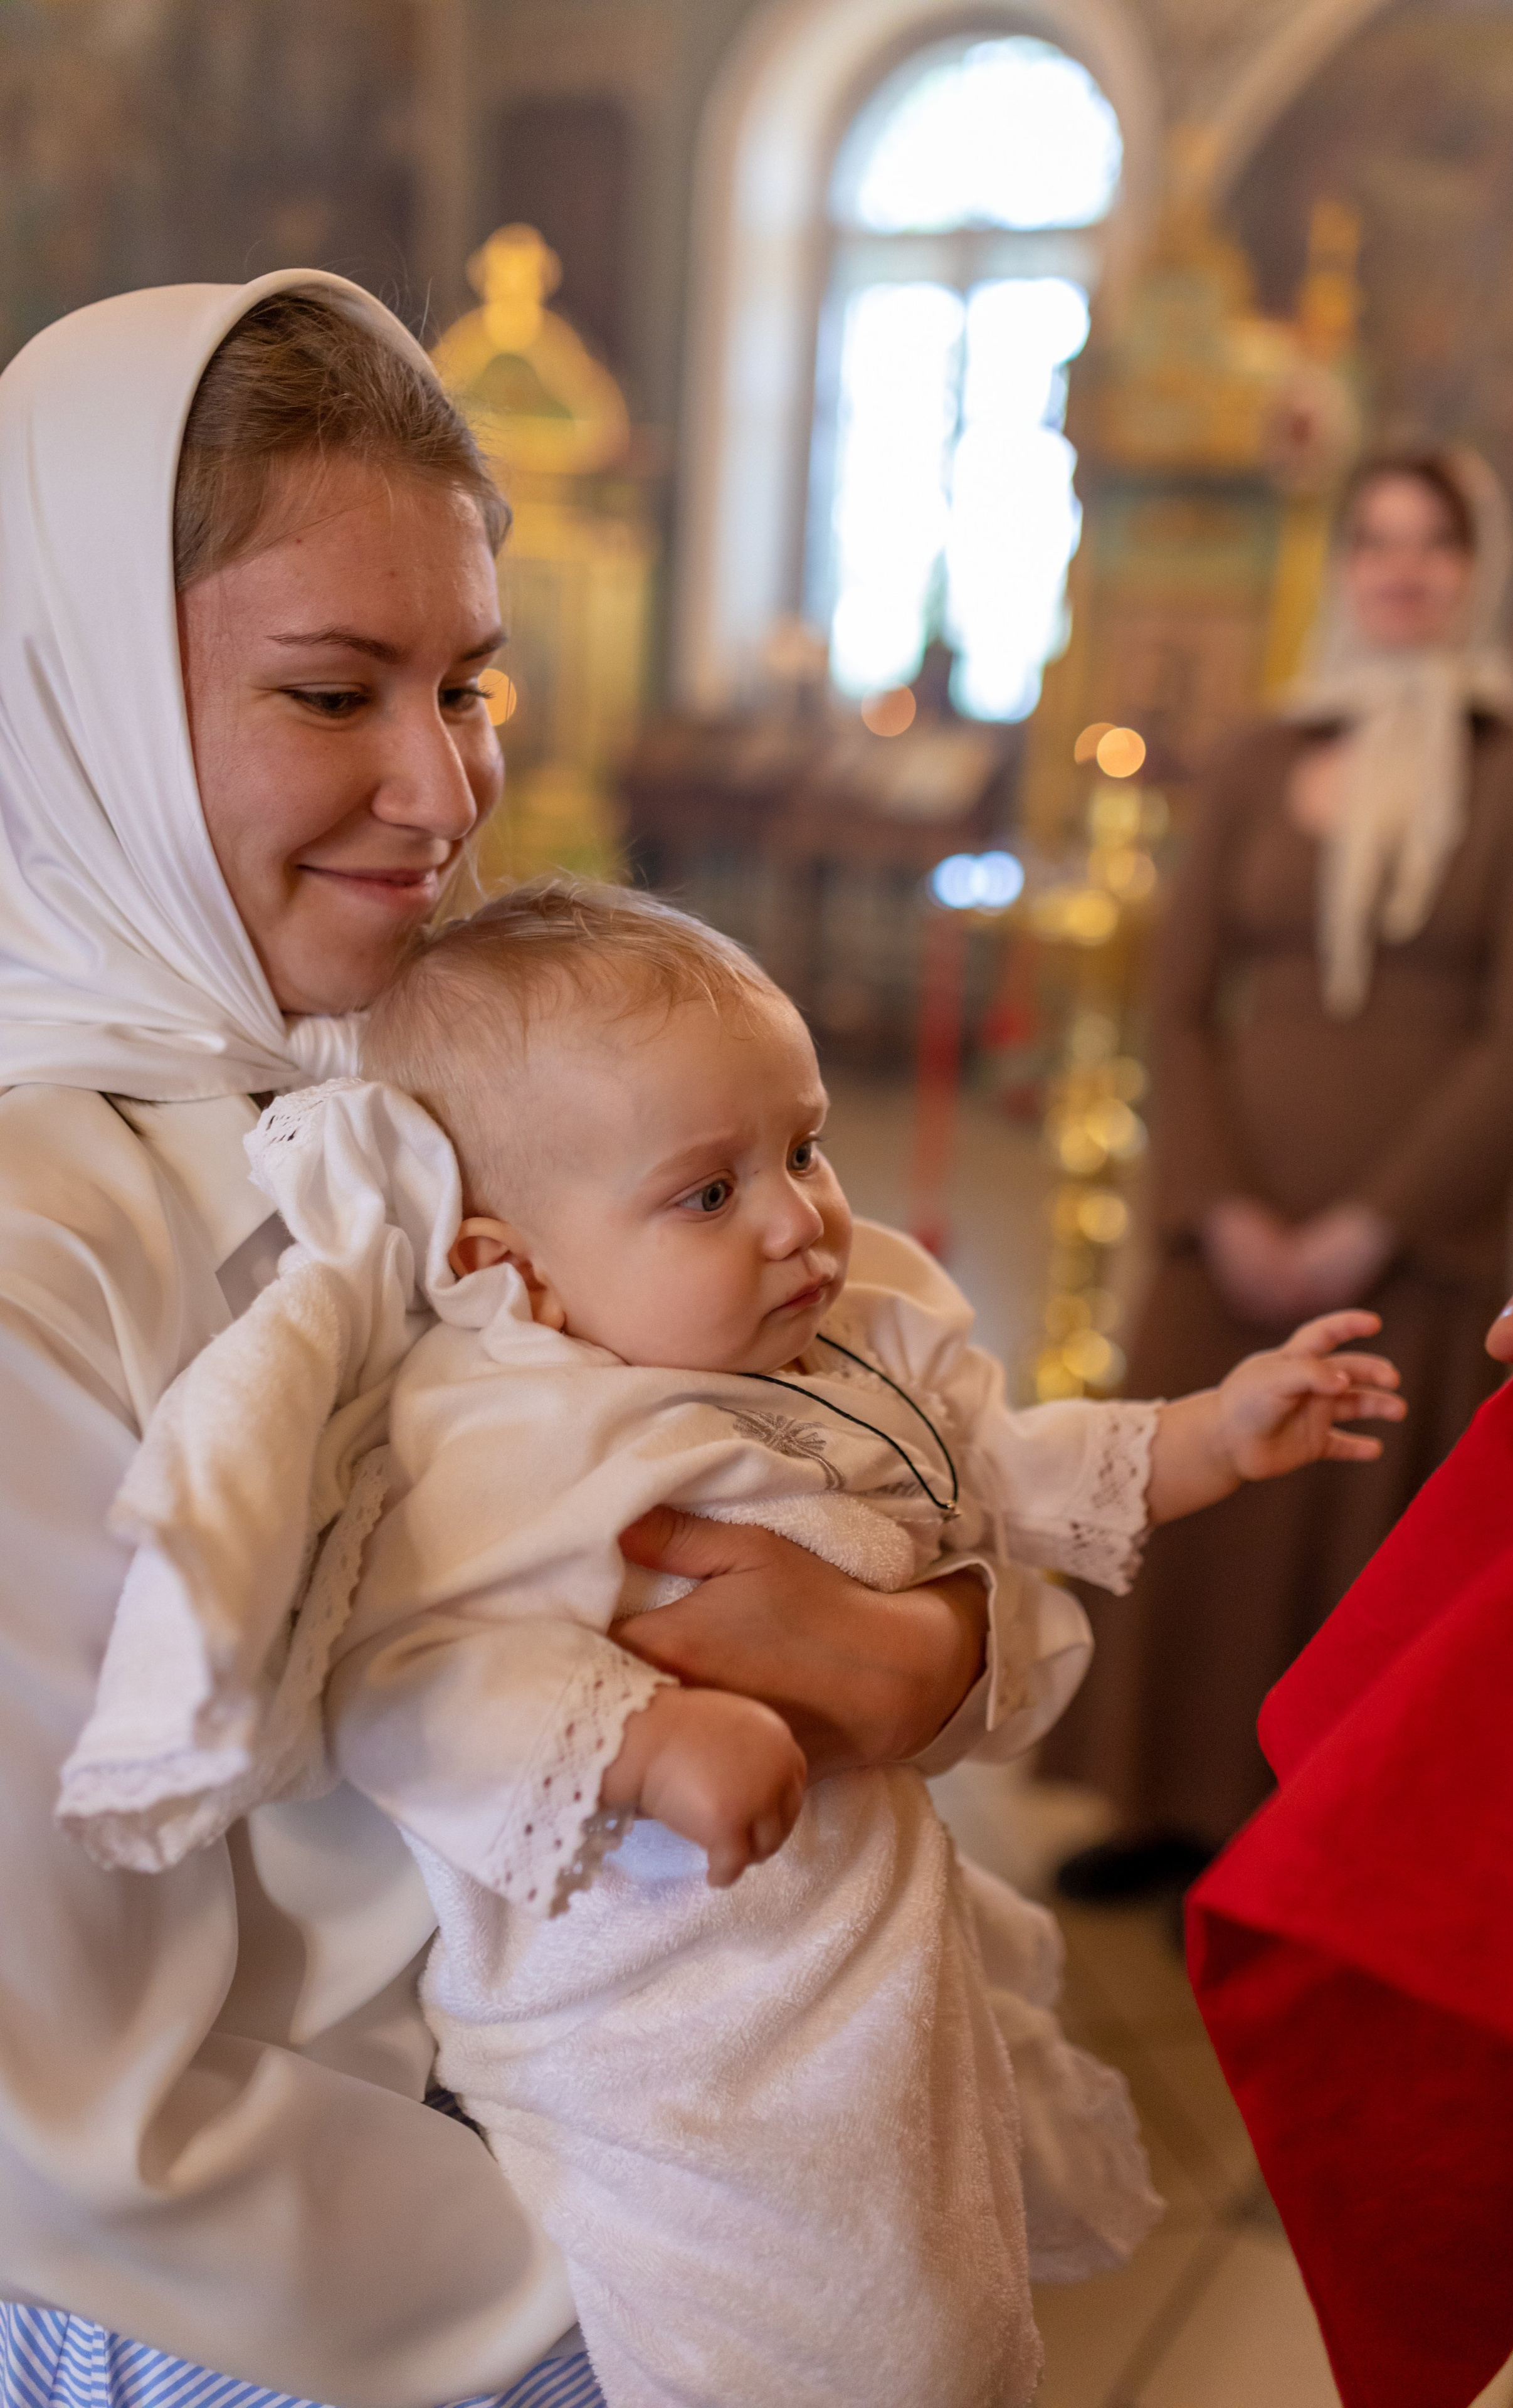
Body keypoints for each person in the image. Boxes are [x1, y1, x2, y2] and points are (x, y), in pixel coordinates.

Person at [0, 276, 1069, 2408]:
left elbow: (889, 1455)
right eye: (330, 692)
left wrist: (937, 1644)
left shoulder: (453, 1060)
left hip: (676, 2139)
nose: (442, 786)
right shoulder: (43, 1243)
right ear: (82, 689)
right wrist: (635, 2308)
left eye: (472, 681)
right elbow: (71, 2114)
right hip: (348, 2296)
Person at [60, 875, 1405, 2408]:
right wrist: (644, 1739)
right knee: (776, 2316)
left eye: (804, 1145)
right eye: (707, 1193)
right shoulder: (516, 1433)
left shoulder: (826, 1347)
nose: (796, 1217)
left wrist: (1209, 1435)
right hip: (656, 2012)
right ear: (514, 1266)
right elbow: (402, 1673)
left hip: (853, 1940)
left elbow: (997, 1471)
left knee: (922, 2261)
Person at [1050, 446, 1513, 1898]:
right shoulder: (1258, 754)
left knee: (1352, 1543)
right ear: (1343, 565)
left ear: (1474, 569)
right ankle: (1155, 1801)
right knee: (1197, 1507)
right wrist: (1221, 1204)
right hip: (1232, 1214)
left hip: (1410, 1229)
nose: (1402, 569)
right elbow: (1175, 1000)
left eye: (1433, 544)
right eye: (1375, 541)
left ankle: (1287, 1843)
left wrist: (1372, 1225)